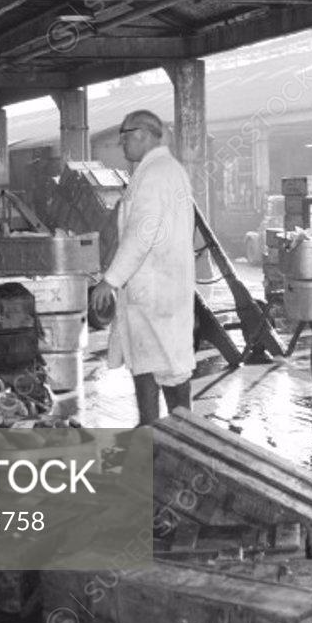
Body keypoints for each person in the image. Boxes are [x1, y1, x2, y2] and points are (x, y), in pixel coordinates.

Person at [90, 110, 196, 426]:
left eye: (125, 137)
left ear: (144, 135)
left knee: (169, 365)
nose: (122, 145)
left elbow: (141, 234)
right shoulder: (162, 170)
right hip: (157, 284)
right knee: (146, 361)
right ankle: (151, 427)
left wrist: (110, 280)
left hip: (155, 288)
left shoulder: (156, 173)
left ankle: (184, 432)